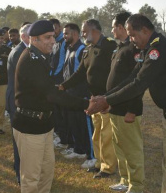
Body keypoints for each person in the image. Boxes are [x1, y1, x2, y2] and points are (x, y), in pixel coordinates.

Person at [86, 14, 166, 193]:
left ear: (143, 30)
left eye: (132, 34)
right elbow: (132, 77)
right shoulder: (149, 48)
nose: (131, 39)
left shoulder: (157, 49)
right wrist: (105, 97)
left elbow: (139, 84)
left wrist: (106, 100)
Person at [12, 20, 89, 193]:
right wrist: (86, 104)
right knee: (31, 171)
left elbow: (47, 90)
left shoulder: (41, 56)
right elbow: (51, 94)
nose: (52, 41)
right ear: (33, 39)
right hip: (29, 124)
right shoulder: (30, 59)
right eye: (47, 38)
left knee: (47, 166)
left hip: (43, 123)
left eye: (53, 36)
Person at [60, 19, 118, 179]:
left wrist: (110, 97)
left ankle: (108, 168)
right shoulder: (88, 50)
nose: (83, 34)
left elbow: (117, 73)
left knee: (106, 136)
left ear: (95, 31)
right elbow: (79, 73)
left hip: (106, 100)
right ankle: (99, 163)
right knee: (97, 134)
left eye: (85, 31)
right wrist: (63, 86)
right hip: (94, 100)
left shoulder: (109, 46)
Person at [106, 12, 145, 193]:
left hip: (127, 109)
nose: (112, 30)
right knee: (119, 145)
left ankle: (136, 185)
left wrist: (133, 109)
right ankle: (124, 179)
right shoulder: (119, 48)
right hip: (115, 107)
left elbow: (138, 82)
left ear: (122, 28)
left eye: (114, 27)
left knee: (132, 148)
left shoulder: (133, 49)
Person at [61, 23, 95, 169]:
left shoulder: (82, 50)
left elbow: (83, 74)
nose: (64, 36)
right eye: (63, 33)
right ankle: (79, 149)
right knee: (74, 123)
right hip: (70, 94)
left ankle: (92, 155)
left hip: (81, 96)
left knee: (85, 126)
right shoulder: (69, 49)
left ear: (75, 34)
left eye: (66, 33)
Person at [6, 23, 31, 184]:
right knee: (20, 139)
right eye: (32, 35)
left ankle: (23, 169)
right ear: (24, 37)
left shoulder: (26, 50)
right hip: (18, 102)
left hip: (21, 100)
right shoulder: (19, 53)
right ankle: (21, 172)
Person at [49, 18, 67, 148]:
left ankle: (64, 138)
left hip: (60, 81)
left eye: (54, 28)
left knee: (62, 111)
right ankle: (59, 135)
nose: (53, 31)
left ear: (59, 28)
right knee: (55, 110)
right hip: (53, 80)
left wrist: (52, 77)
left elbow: (61, 64)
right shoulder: (54, 41)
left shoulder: (63, 42)